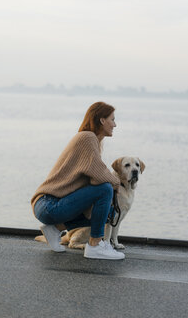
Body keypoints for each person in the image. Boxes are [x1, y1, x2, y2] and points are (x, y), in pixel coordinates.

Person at [31, 102, 125, 260]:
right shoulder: (87, 137)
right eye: (112, 119)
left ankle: (55, 229)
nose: (115, 124)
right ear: (102, 120)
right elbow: (100, 174)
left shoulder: (93, 141)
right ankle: (95, 245)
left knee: (109, 210)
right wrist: (117, 184)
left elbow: (95, 178)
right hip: (48, 203)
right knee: (105, 189)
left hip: (51, 204)